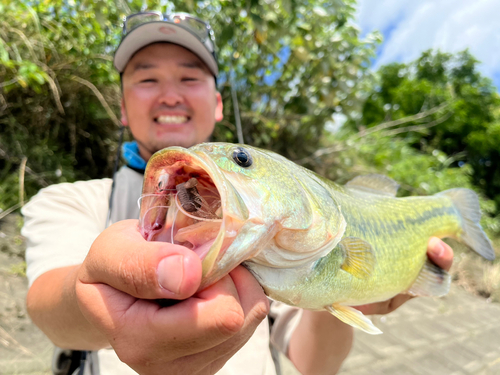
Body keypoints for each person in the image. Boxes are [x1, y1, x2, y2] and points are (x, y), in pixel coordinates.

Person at [22, 12, 454, 375]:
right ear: (122, 106)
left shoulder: (272, 241)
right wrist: (89, 299)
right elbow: (48, 312)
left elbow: (311, 362)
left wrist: (343, 294)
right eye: (147, 79)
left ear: (219, 103)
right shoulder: (68, 200)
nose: (170, 95)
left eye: (190, 77)